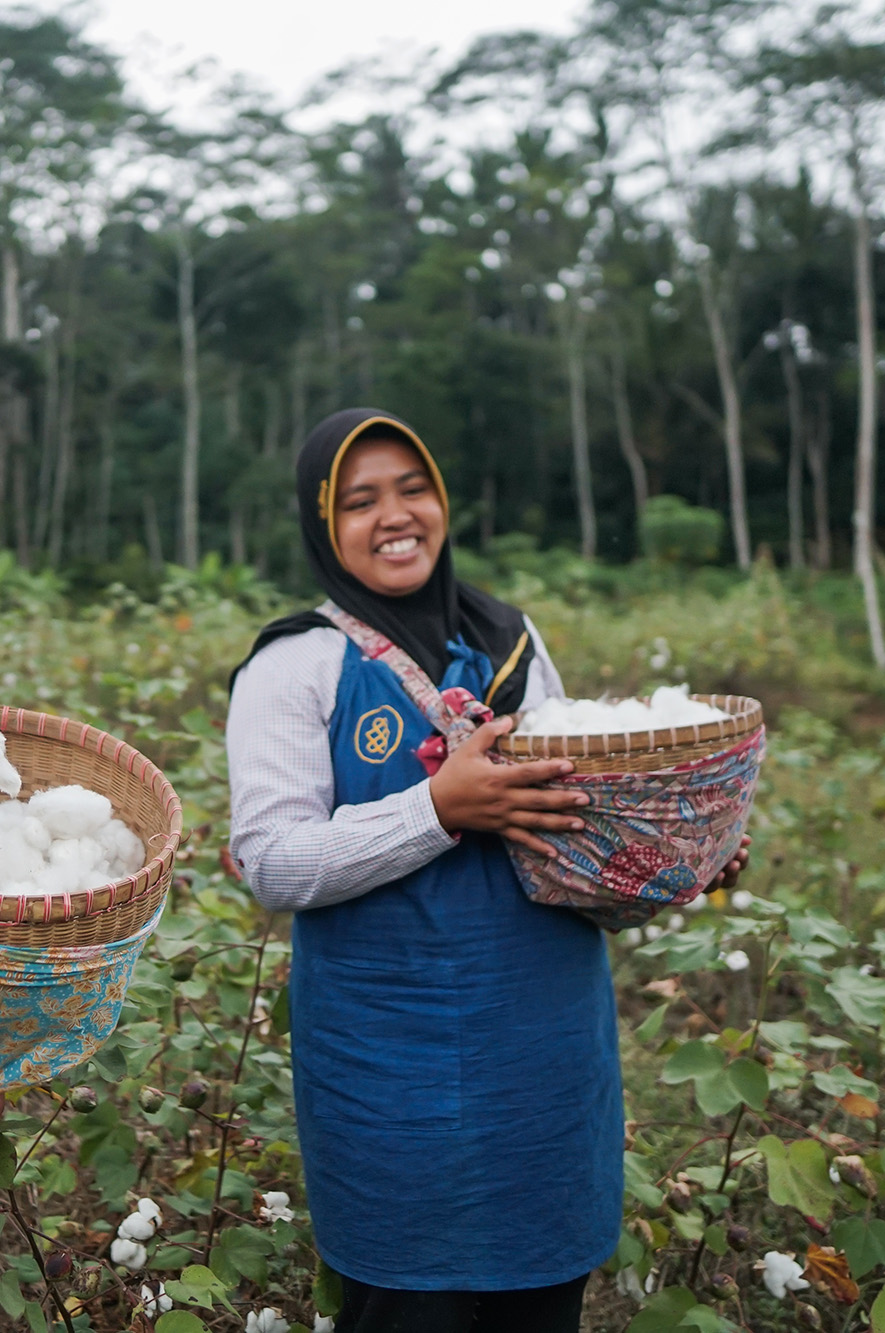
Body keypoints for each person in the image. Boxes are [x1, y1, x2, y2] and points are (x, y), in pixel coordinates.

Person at [226, 408, 746, 1333]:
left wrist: (678, 860)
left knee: (542, 1294)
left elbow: (577, 825)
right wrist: (438, 809)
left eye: (412, 487)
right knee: (410, 1300)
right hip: (389, 1060)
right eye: (359, 500)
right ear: (322, 524)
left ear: (442, 499)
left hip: (542, 1045)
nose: (395, 515)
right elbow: (271, 861)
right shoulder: (296, 665)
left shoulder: (511, 638)